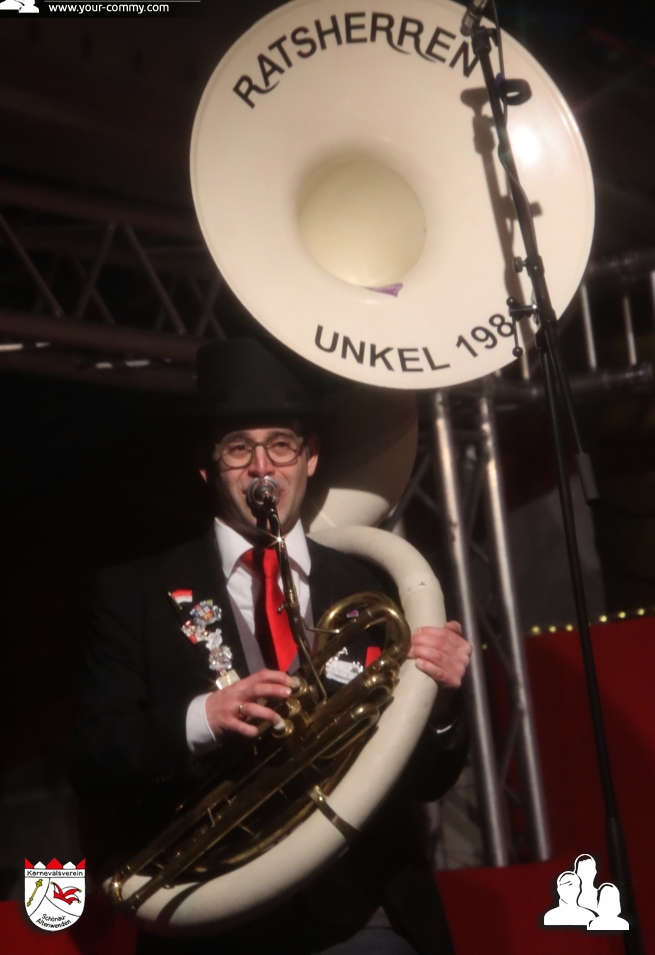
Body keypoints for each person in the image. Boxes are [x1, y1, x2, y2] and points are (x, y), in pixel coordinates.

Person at [70, 338, 472, 955]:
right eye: (239, 449)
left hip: (360, 912)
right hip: (215, 920)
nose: (263, 468)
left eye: (281, 445)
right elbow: (93, 758)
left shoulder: (373, 585)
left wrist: (438, 701)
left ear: (310, 457)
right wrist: (204, 719)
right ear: (209, 468)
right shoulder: (135, 593)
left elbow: (426, 780)